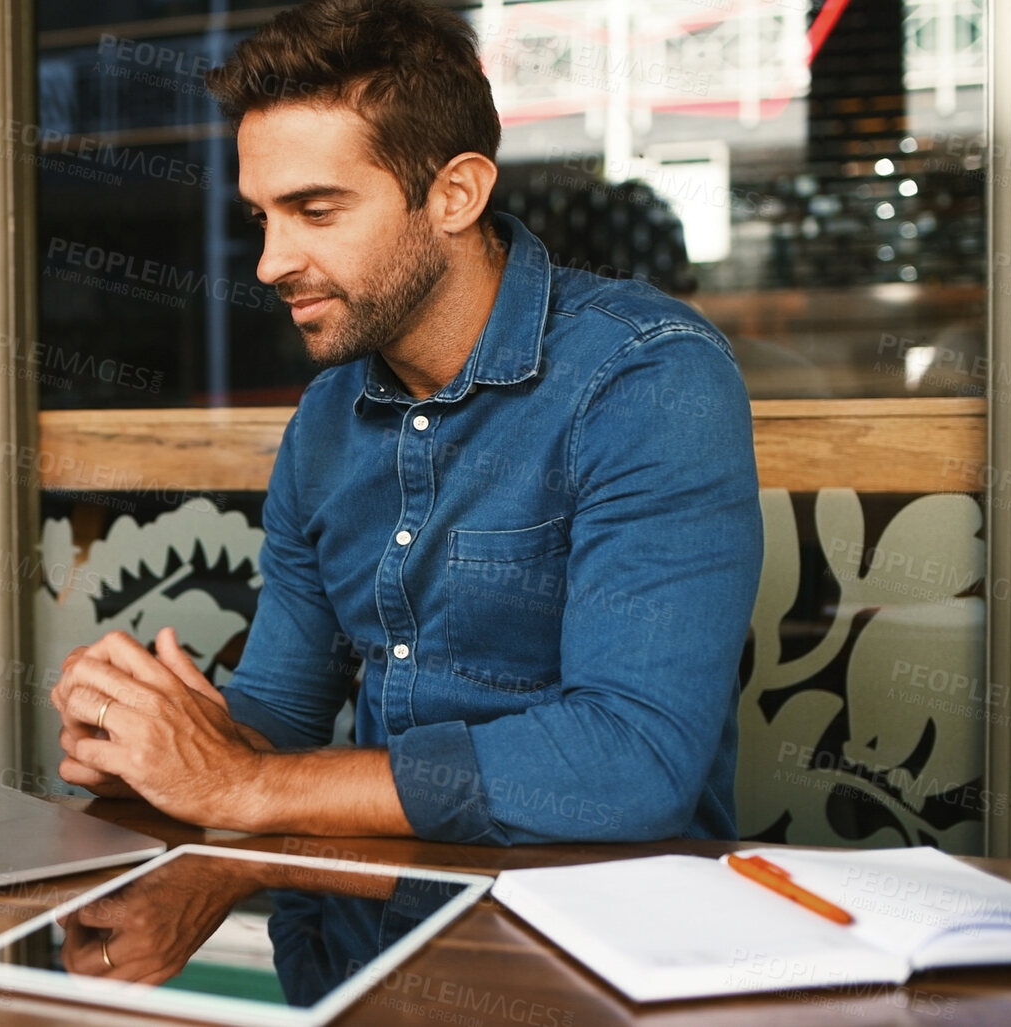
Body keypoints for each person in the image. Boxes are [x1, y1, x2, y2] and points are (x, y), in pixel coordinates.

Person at [50, 0, 763, 843]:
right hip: (365, 919)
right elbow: (280, 710)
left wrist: (247, 782)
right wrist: (161, 746)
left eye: (315, 211)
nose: (270, 262)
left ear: (455, 193)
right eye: (261, 218)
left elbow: (630, 763)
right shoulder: (324, 420)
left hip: (591, 930)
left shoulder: (644, 377)